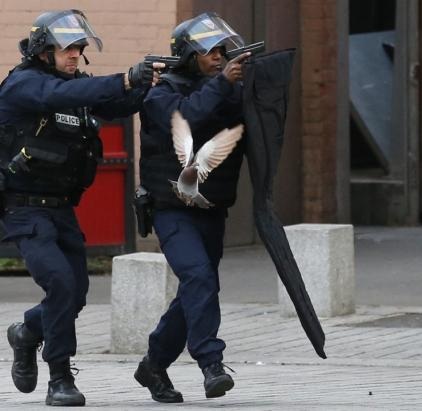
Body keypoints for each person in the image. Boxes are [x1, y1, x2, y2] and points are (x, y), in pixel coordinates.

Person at [0, 9, 162, 407]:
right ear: (42, 51)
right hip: (23, 208)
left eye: (78, 49)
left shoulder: (76, 89)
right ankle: (59, 377)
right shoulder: (24, 85)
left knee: (75, 295)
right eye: (66, 49)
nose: (74, 56)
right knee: (61, 283)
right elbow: (61, 96)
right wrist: (124, 76)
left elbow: (114, 103)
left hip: (61, 209)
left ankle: (26, 332)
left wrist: (151, 82)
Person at [134, 12, 250, 403]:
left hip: (211, 207)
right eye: (209, 51)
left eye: (222, 50)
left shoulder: (222, 88)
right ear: (188, 55)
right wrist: (222, 84)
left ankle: (154, 364)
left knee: (197, 288)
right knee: (199, 278)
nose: (219, 57)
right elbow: (186, 119)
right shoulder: (160, 93)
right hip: (172, 208)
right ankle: (210, 364)